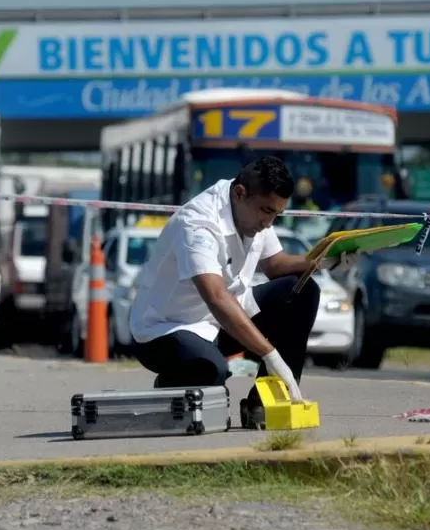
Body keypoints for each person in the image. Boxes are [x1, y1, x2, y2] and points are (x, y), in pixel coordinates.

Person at [129, 155, 356, 429]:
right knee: (211, 371)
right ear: (240, 194)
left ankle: (263, 404)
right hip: (165, 331)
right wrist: (270, 355)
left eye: (276, 214)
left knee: (301, 290)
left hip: (218, 322)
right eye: (266, 211)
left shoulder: (253, 213)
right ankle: (172, 383)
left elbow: (275, 265)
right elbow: (215, 297)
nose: (269, 223)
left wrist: (322, 260)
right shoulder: (198, 224)